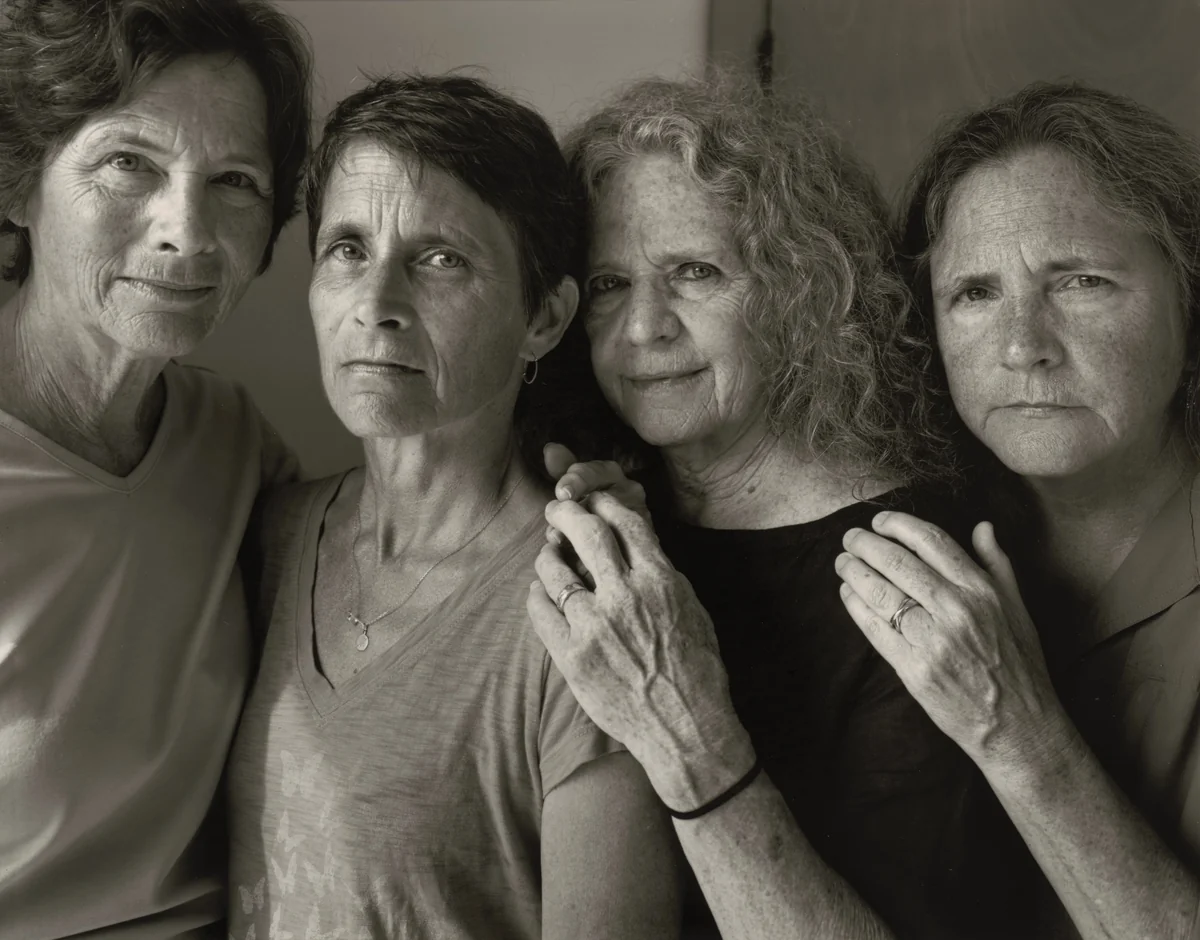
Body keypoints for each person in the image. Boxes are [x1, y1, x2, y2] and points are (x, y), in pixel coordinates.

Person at [524, 72, 1032, 940]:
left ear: (798, 289)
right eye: (608, 284)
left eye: (694, 273)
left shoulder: (904, 563)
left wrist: (688, 734)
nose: (644, 327)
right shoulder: (611, 522)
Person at [224, 74, 679, 940]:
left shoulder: (584, 607)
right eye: (347, 249)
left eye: (441, 260)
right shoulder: (270, 535)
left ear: (544, 317)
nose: (376, 306)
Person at [835, 82, 1200, 940]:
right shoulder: (908, 536)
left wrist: (1015, 731)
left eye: (1080, 281)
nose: (1021, 345)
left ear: (1189, 298)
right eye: (974, 293)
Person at [0, 0, 311, 936]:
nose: (188, 230)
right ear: (19, 184)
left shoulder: (235, 444)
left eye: (236, 181)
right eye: (128, 163)